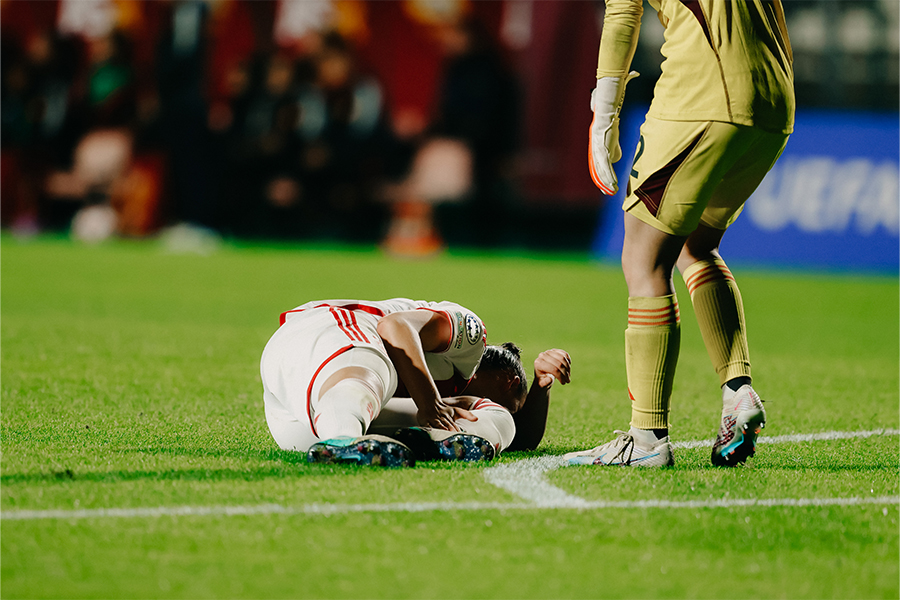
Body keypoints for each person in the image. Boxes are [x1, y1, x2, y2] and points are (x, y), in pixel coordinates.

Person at [567, 0, 794, 468]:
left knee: (643, 258)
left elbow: (623, 13)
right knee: (697, 245)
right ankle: (737, 392)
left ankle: (646, 437)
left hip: (703, 93)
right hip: (774, 99)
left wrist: (603, 112)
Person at [260, 298, 571, 466]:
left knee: (499, 422)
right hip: (322, 331)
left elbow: (519, 440)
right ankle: (343, 439)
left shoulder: (456, 400)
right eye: (514, 406)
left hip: (299, 427)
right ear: (507, 381)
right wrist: (429, 401)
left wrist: (542, 384)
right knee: (373, 367)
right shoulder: (472, 338)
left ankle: (354, 442)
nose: (509, 412)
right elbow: (393, 326)